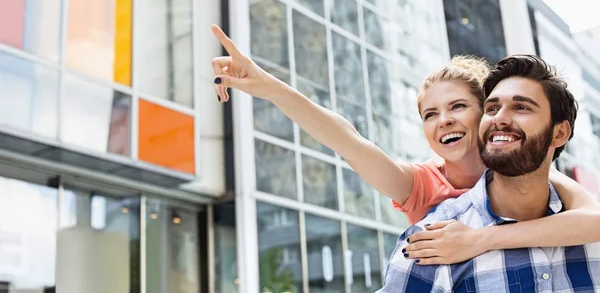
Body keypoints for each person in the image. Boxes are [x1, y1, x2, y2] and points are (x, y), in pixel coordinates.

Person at [210, 24, 600, 265]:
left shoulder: (517, 168)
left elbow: (593, 221)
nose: (443, 119)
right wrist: (269, 87)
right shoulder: (423, 186)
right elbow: (348, 140)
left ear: (487, 115)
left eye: (458, 106)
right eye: (430, 114)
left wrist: (480, 239)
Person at [378, 54, 600, 292]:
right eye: (492, 108)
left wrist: (481, 239)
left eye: (521, 107)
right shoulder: (433, 243)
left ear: (560, 133)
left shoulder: (587, 230)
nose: (500, 118)